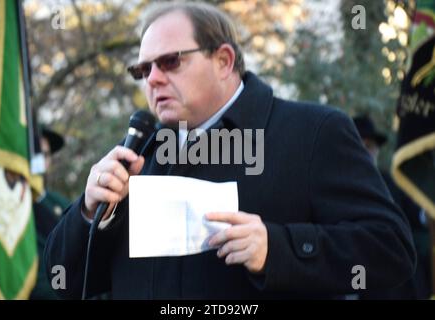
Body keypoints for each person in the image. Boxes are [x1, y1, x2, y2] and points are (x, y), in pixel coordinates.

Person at [45, 2, 416, 299]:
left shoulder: (312, 132)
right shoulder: (139, 154)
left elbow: (391, 249)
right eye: (142, 70)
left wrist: (277, 250)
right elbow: (63, 282)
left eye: (170, 61)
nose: (153, 79)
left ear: (223, 60)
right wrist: (91, 213)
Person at [353, 115, 432, 299]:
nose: (366, 151)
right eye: (360, 145)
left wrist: (428, 213)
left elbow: (416, 213)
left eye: (370, 146)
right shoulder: (335, 186)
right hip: (361, 273)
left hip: (399, 277)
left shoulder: (391, 182)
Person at [30, 127, 69, 299]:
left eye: (45, 155)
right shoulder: (7, 207)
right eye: (34, 152)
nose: (40, 161)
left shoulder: (61, 204)